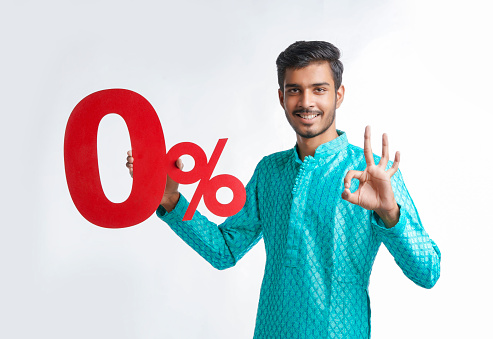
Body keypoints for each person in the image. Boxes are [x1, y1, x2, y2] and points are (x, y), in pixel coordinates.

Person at [126, 41, 440, 339]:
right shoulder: (270, 171)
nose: (306, 102)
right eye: (295, 90)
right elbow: (224, 251)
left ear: (339, 95)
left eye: (319, 89)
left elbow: (427, 271)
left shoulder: (371, 173)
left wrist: (389, 213)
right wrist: (170, 199)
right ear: (281, 97)